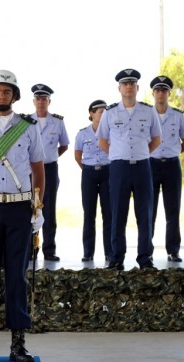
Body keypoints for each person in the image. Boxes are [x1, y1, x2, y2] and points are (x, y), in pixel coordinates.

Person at [0, 69, 45, 362]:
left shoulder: (28, 126)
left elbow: (38, 168)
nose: (2, 96)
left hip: (18, 208)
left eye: (7, 91)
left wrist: (38, 208)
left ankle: (18, 342)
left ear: (15, 95)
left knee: (17, 277)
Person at [97, 69, 162, 271]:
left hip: (142, 166)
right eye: (125, 83)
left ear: (137, 87)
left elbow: (157, 139)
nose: (128, 87)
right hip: (119, 168)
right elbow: (102, 141)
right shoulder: (109, 112)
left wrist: (141, 154)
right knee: (117, 213)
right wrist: (118, 154)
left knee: (145, 214)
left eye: (132, 83)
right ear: (119, 88)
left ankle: (145, 259)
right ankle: (116, 258)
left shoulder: (148, 111)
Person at [149, 76, 184, 262]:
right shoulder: (145, 114)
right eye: (158, 90)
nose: (161, 93)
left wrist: (173, 152)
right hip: (150, 164)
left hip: (172, 166)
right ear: (153, 93)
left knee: (173, 210)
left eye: (164, 90)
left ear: (169, 93)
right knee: (148, 209)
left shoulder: (178, 115)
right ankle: (146, 250)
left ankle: (173, 250)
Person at [30, 83, 69, 261]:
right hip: (30, 169)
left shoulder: (58, 122)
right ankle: (31, 249)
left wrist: (51, 157)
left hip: (50, 169)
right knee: (30, 208)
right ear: (33, 101)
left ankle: (49, 250)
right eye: (38, 98)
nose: (41, 102)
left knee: (49, 209)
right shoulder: (26, 121)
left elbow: (64, 145)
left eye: (44, 99)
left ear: (49, 101)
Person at [74, 100, 112, 263]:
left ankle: (110, 252)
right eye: (100, 111)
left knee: (108, 214)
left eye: (105, 111)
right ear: (91, 113)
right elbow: (77, 155)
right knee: (89, 214)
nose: (103, 114)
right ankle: (88, 252)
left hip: (108, 172)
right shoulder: (82, 133)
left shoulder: (111, 132)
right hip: (89, 173)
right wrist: (87, 169)